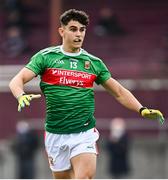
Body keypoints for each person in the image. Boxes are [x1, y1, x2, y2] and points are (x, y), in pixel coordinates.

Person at [9, 9, 165, 179]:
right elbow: (17, 80)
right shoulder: (46, 57)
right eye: (73, 29)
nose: (79, 34)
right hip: (55, 134)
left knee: (85, 177)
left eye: (82, 30)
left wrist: (141, 109)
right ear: (62, 31)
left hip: (84, 133)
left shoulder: (93, 63)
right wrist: (20, 95)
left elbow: (119, 92)